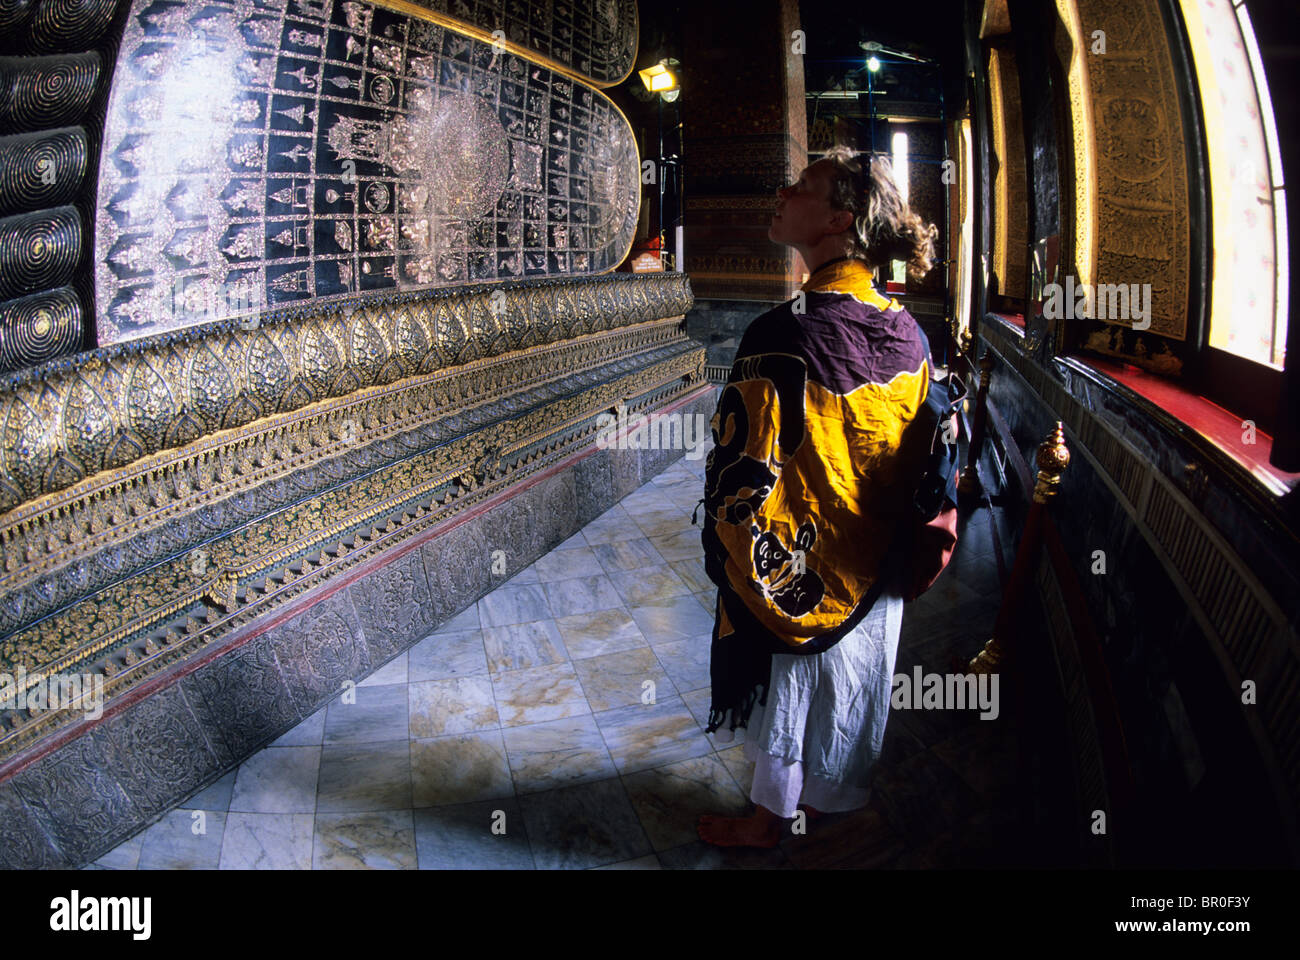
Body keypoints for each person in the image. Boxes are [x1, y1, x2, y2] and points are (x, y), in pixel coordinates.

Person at [695, 146, 938, 847]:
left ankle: (770, 819)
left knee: (789, 691)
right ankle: (827, 818)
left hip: (792, 565)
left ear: (838, 218)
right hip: (874, 569)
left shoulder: (783, 332)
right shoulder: (908, 333)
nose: (780, 192)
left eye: (799, 187)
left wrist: (748, 557)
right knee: (851, 690)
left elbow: (737, 479)